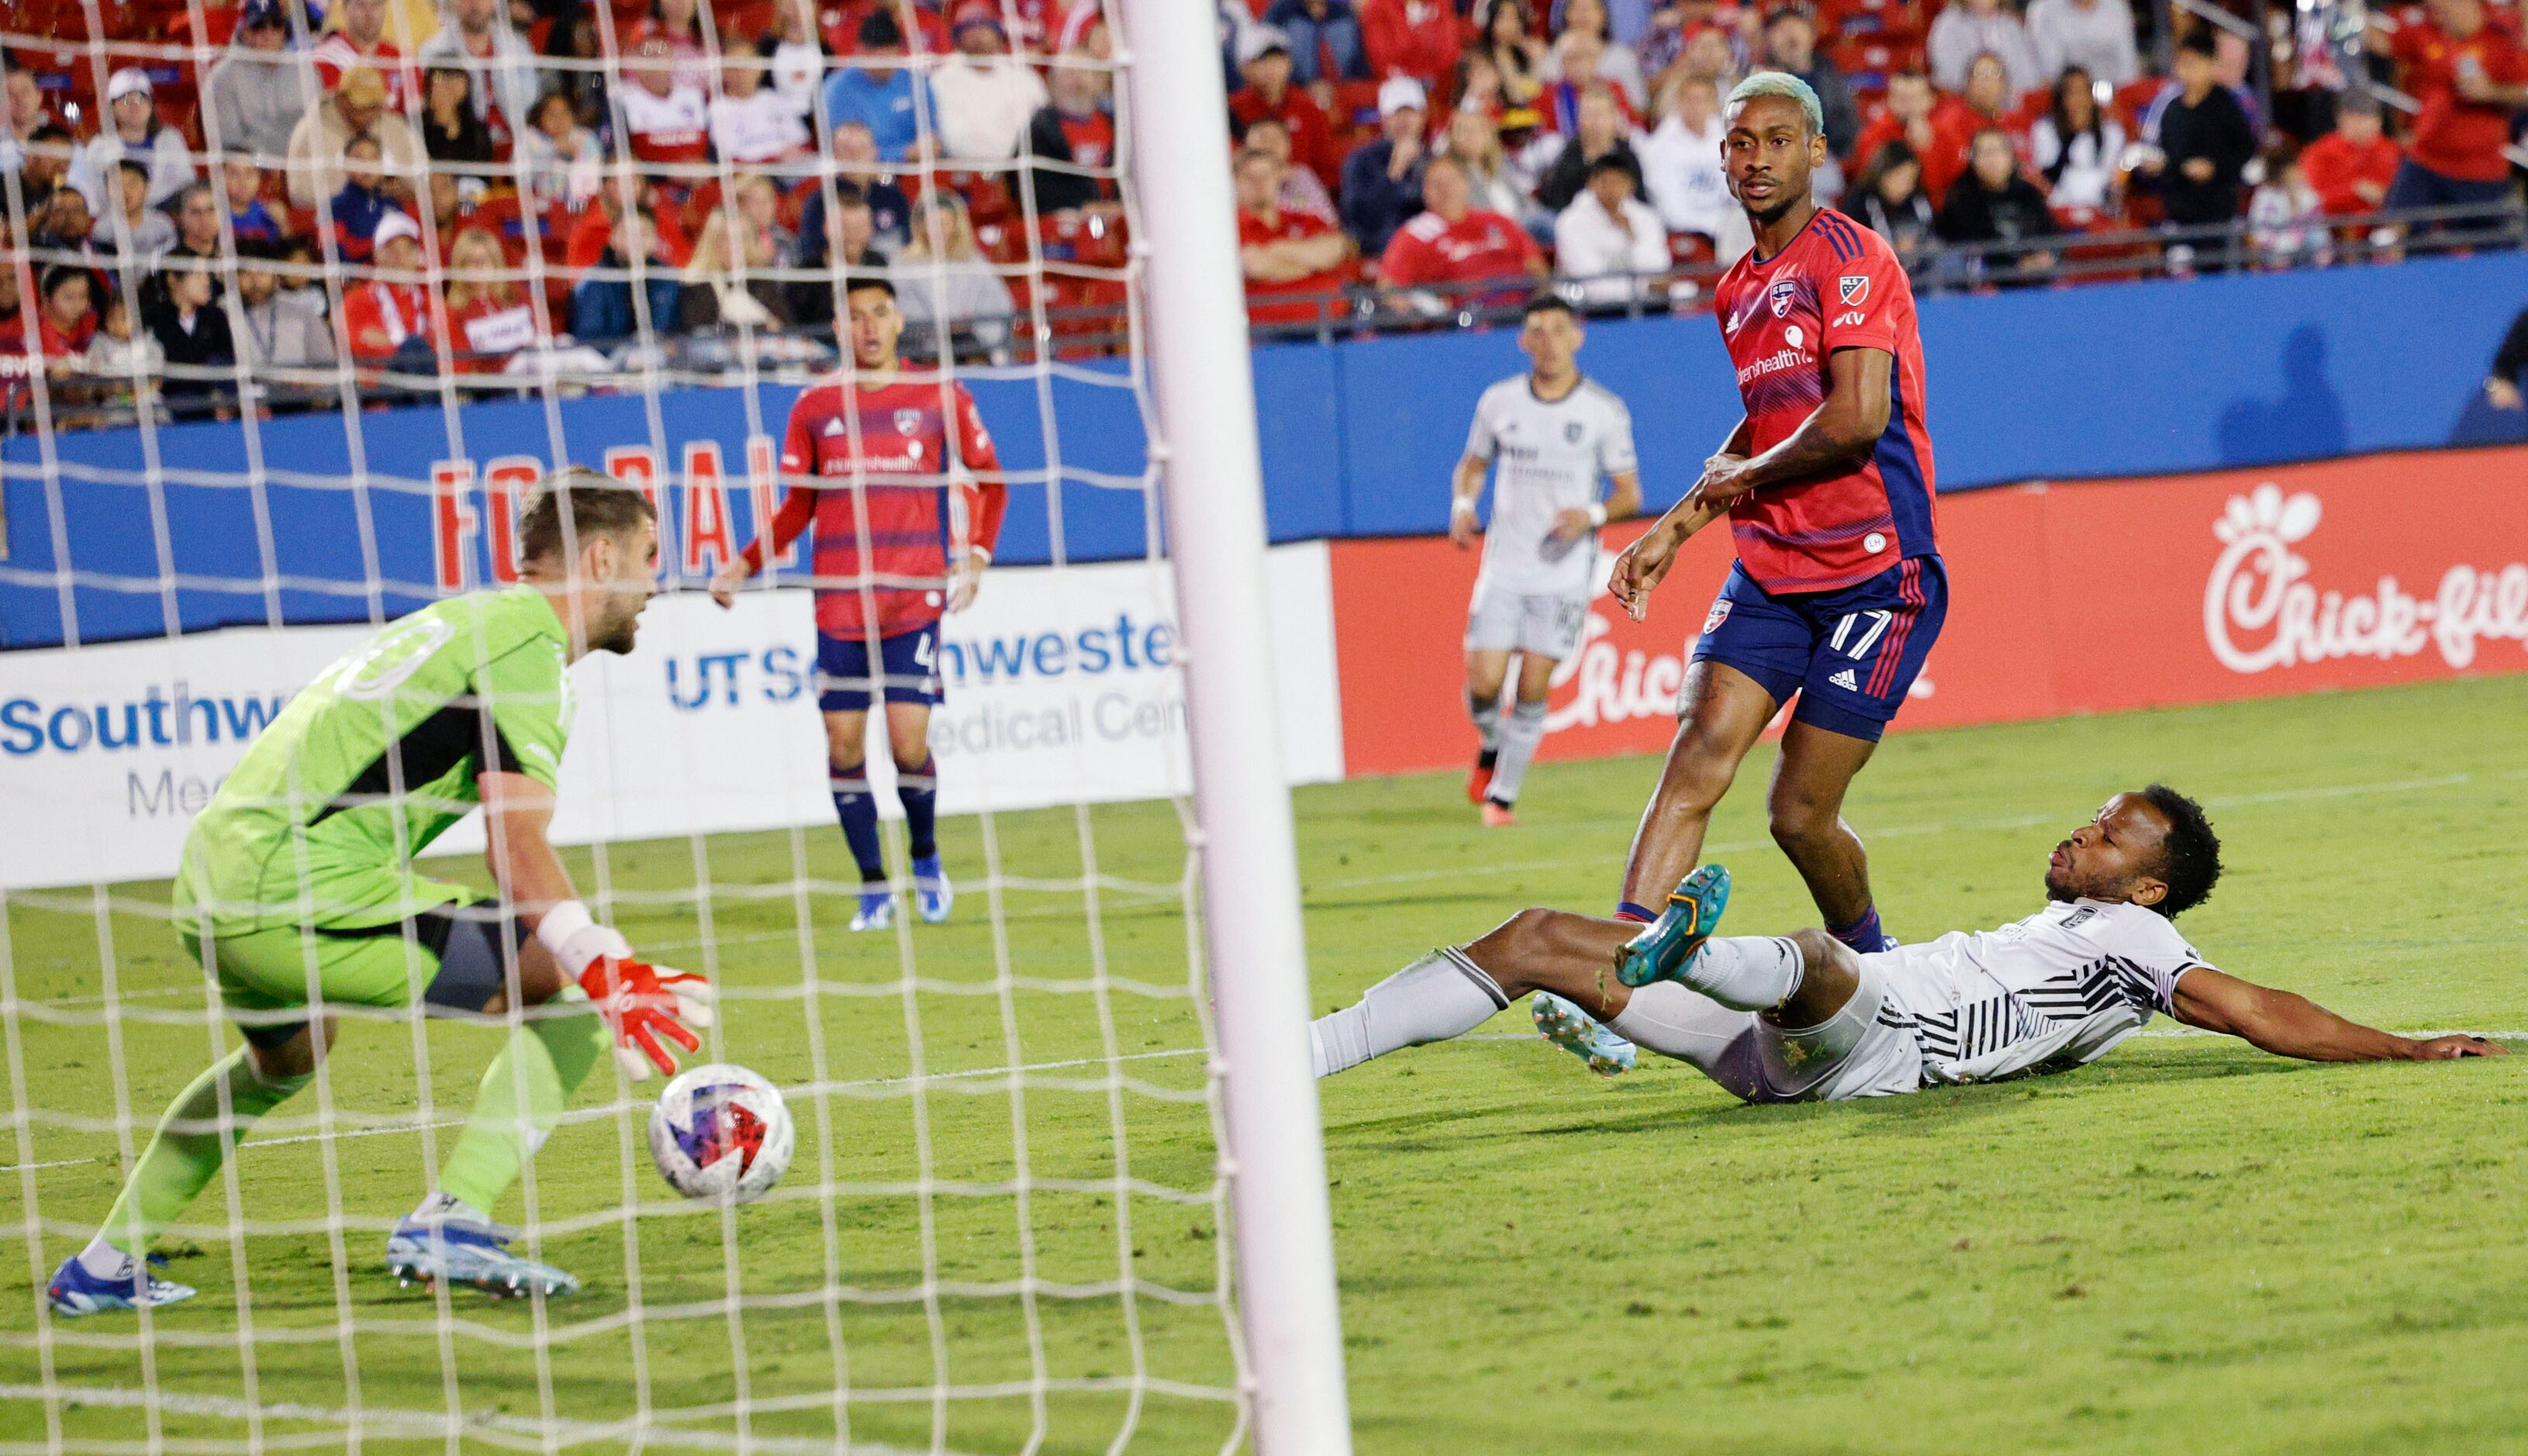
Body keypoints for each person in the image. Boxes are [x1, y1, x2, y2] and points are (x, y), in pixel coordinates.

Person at [43, 474, 714, 1316]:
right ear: (602, 555)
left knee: (285, 1057)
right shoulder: (525, 650)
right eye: (651, 558)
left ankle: (102, 1266)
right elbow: (515, 845)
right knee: (571, 984)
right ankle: (451, 1217)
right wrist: (598, 962)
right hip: (294, 887)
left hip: (214, 883)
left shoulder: (459, 620)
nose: (655, 583)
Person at [1305, 788, 2507, 1099]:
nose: (2078, 835)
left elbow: (2257, 1010)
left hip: (1883, 1040)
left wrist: (2401, 1048)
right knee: (1528, 936)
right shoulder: (2077, 931)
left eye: (2106, 836)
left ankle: (1688, 954)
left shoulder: (2137, 939)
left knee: (1823, 958)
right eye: (2089, 818)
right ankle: (1299, 1054)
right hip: (1776, 1057)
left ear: (2149, 884)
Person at [1601, 72, 1941, 996]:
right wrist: (1674, 530)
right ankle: (1612, 987)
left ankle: (1877, 968)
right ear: (1720, 157)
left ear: (1815, 152)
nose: (1755, 159)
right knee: (1695, 752)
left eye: (1777, 140)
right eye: (1739, 143)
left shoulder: (1854, 259)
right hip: (1770, 568)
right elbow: (1762, 421)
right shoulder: (1735, 291)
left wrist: (1741, 481)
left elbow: (1854, 418)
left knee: (1796, 814)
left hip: (1878, 572)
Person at [710, 274, 1008, 932]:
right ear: (839, 329)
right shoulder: (816, 406)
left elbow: (992, 481)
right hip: (840, 607)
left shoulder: (939, 394)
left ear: (900, 322)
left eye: (880, 313)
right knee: (844, 747)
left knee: (908, 745)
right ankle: (874, 885)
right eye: (855, 317)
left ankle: (925, 860)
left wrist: (978, 556)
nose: (869, 326)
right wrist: (743, 563)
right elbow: (798, 508)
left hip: (912, 599)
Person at [1450, 294, 1643, 824]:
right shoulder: (1500, 402)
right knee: (1485, 685)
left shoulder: (1602, 410)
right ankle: (1492, 744)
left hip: (1562, 573)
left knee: (1533, 684)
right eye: (1538, 330)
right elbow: (1472, 464)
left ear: (1577, 336)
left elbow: (1629, 493)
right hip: (1505, 566)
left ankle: (1502, 799)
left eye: (1559, 330)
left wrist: (1592, 514)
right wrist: (1464, 505)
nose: (1549, 341)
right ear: (1524, 341)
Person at [2371, 0, 2528, 215]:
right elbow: (2384, 43)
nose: (2437, 15)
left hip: (2479, 168)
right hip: (2426, 157)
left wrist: (2491, 92)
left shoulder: (2501, 37)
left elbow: (2525, 91)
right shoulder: (2428, 30)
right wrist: (2351, 18)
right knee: (2395, 229)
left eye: (2443, 10)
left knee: (2486, 243)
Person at [1379, 152, 1548, 305]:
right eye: (1436, 184)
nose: (1446, 189)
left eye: (1451, 181)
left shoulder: (1498, 221)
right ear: (1425, 191)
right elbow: (1388, 288)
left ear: (1465, 184)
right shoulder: (1415, 235)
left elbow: (1535, 266)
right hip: (1461, 325)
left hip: (1519, 312)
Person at [2136, 31, 2257, 230]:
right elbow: (2167, 157)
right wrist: (2159, 168)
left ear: (2211, 65)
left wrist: (2214, 168)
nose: (2186, 71)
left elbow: (2244, 150)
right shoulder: (2171, 110)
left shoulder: (2226, 106)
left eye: (2193, 64)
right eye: (2183, 64)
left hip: (2219, 212)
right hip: (2179, 212)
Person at [1237, 143, 1356, 325]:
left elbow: (1335, 249)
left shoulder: (1303, 218)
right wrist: (1310, 266)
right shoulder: (1230, 228)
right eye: (1250, 177)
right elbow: (1255, 265)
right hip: (1264, 333)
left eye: (1265, 176)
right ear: (1236, 181)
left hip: (1332, 323)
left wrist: (1276, 250)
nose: (1259, 183)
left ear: (1279, 177)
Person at [891, 191, 1016, 357]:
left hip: (969, 343)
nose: (938, 230)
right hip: (920, 346)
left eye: (944, 223)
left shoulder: (974, 261)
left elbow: (1002, 305)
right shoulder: (903, 262)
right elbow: (894, 307)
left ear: (956, 225)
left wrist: (970, 326)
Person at [286, 66, 427, 209]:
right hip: (333, 220)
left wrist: (400, 187)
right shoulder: (311, 130)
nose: (370, 113)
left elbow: (422, 176)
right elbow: (299, 194)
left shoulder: (395, 127)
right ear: (342, 98)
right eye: (363, 106)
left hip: (388, 215)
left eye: (375, 105)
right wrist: (356, 191)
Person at [205, 0, 320, 164]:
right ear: (244, 30)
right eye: (259, 26)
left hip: (303, 167)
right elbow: (228, 143)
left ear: (284, 30)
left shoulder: (307, 72)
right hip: (249, 173)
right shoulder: (222, 78)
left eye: (276, 25)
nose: (268, 34)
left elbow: (318, 130)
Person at [929, 5, 1051, 160]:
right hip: (958, 169)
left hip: (1017, 169)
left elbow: (1046, 126)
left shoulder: (1025, 77)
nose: (978, 34)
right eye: (970, 28)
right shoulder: (940, 78)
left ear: (998, 35)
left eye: (985, 27)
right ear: (957, 38)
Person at [1231, 26, 1345, 188]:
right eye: (1261, 61)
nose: (1272, 68)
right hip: (1251, 194)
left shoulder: (1308, 107)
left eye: (1278, 59)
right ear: (1244, 68)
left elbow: (1328, 167)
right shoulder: (1232, 110)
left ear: (1289, 63)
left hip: (1303, 195)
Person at [416, 0, 544, 144]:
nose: (474, 4)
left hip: (516, 143)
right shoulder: (433, 51)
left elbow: (530, 100)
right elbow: (431, 105)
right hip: (460, 142)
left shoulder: (517, 47)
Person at [1939, 127, 2060, 280]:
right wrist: (2016, 265)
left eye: (1998, 151)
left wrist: (2046, 256)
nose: (1992, 160)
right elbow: (1973, 245)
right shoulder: (1960, 197)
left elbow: (2050, 231)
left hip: (2037, 276)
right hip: (1987, 283)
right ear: (1972, 160)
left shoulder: (2028, 192)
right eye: (1984, 153)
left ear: (2011, 157)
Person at [70, 69, 194, 217]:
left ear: (151, 105)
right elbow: (94, 198)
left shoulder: (171, 140)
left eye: (141, 98)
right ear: (113, 107)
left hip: (164, 217)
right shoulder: (99, 147)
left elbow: (185, 184)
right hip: (114, 220)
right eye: (126, 99)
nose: (134, 105)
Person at [820, 10, 936, 163]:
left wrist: (927, 146)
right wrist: (903, 153)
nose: (882, 63)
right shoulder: (838, 88)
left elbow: (932, 136)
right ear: (859, 51)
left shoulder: (917, 82)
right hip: (863, 171)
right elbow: (846, 151)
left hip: (915, 168)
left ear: (899, 51)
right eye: (875, 55)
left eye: (889, 55)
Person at [1556, 153, 1670, 302]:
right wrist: (1644, 288)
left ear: (1631, 185)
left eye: (1618, 182)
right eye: (1605, 182)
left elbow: (1658, 270)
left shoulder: (1646, 218)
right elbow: (1590, 281)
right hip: (1592, 308)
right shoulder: (1571, 222)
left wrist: (1631, 234)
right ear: (1591, 183)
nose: (1611, 189)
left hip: (1648, 304)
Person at [1341, 76, 1431, 256]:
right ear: (1383, 118)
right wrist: (1395, 170)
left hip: (1430, 249)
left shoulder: (1433, 159)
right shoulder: (1361, 160)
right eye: (1396, 113)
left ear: (1422, 117)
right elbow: (1359, 217)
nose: (1404, 120)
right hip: (1382, 250)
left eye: (1410, 112)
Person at [1756, 6, 1858, 163]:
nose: (1790, 35)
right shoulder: (1760, 79)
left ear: (1812, 35)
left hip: (1828, 158)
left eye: (1796, 27)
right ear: (1769, 41)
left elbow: (1847, 126)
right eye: (1781, 30)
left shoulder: (1831, 74)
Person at [340, 210, 443, 365]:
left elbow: (450, 348)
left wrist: (389, 341)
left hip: (430, 384)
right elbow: (366, 351)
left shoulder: (432, 302)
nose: (400, 257)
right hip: (384, 387)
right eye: (391, 249)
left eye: (409, 249)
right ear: (376, 253)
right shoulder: (356, 302)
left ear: (418, 255)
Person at [1640, 72, 1732, 246]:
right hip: (1687, 233)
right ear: (1678, 103)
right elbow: (1669, 208)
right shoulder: (1660, 147)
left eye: (1703, 100)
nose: (1696, 106)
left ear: (1714, 104)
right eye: (1690, 100)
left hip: (1727, 230)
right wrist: (1709, 227)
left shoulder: (1729, 139)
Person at [569, 205, 682, 342]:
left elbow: (677, 330)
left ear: (655, 239)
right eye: (628, 234)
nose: (636, 241)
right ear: (612, 238)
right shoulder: (593, 281)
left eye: (644, 234)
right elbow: (588, 335)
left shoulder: (667, 278)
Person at [1024, 52, 1117, 214]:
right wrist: (1078, 207)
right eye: (1068, 74)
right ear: (1051, 84)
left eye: (1083, 72)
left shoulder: (1114, 126)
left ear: (1099, 82)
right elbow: (1036, 188)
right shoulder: (1039, 133)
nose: (1077, 80)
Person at [679, 205, 794, 332]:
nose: (735, 246)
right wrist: (762, 327)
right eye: (727, 238)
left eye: (743, 237)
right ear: (712, 241)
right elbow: (697, 330)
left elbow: (785, 325)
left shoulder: (760, 280)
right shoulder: (698, 283)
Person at [229, 238, 337, 373]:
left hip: (297, 392)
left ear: (275, 275)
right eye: (245, 274)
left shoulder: (301, 312)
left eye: (261, 273)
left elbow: (327, 365)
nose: (254, 281)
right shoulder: (222, 314)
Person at [1535, 81, 1645, 214]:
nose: (1594, 122)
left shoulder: (1627, 156)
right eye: (1588, 115)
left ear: (1614, 118)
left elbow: (1641, 203)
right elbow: (1556, 204)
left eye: (1599, 115)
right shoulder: (1567, 157)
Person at [143, 258, 238, 412]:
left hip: (217, 404)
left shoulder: (216, 316)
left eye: (208, 276)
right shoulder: (153, 319)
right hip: (170, 406)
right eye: (198, 275)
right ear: (173, 278)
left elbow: (227, 360)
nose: (207, 283)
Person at [2029, 64, 2124, 210]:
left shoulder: (2112, 132)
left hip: (2102, 210)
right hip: (2061, 210)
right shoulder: (2045, 130)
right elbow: (2047, 178)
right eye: (2071, 93)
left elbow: (2112, 178)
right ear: (2061, 99)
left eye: (2083, 92)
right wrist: (2071, 136)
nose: (2079, 100)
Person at [443, 224, 536, 371]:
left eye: (485, 260)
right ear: (460, 266)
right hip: (495, 383)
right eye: (472, 262)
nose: (480, 267)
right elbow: (463, 366)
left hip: (535, 367)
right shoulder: (454, 313)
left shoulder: (517, 295)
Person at [618, 36, 712, 170]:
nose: (656, 58)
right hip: (654, 184)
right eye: (647, 53)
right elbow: (624, 154)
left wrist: (706, 168)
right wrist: (667, 173)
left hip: (700, 179)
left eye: (661, 51)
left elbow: (712, 148)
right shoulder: (624, 98)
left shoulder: (693, 95)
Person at [710, 52, 812, 167]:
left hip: (793, 166)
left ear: (759, 69)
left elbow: (802, 140)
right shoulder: (718, 109)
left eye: (746, 66)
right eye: (733, 69)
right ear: (724, 73)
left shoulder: (776, 99)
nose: (741, 73)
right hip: (753, 175)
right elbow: (731, 158)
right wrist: (774, 159)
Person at [2298, 101, 2400, 216]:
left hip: (2385, 223)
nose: (2364, 126)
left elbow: (2405, 195)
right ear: (2342, 120)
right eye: (2357, 120)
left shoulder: (2393, 151)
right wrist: (2354, 190)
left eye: (2369, 119)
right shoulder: (2319, 154)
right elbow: (2312, 200)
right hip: (2334, 225)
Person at [1843, 140, 1937, 264]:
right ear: (1883, 173)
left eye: (1912, 179)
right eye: (1901, 177)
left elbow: (1932, 231)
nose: (1907, 186)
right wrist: (1895, 250)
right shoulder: (1861, 202)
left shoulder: (1916, 198)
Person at [314, 0, 419, 109]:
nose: (369, 14)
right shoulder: (326, 60)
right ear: (345, 10)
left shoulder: (400, 58)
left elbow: (416, 111)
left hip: (394, 124)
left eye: (376, 5)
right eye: (361, 5)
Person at [1927, 0, 2043, 96]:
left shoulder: (2010, 24)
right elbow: (1947, 79)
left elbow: (2028, 76)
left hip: (2010, 105)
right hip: (1966, 105)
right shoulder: (1948, 25)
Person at [516, 90, 604, 214]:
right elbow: (523, 176)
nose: (559, 120)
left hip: (582, 207)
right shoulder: (531, 138)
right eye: (552, 114)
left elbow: (593, 177)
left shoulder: (586, 138)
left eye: (565, 113)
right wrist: (553, 147)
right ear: (540, 117)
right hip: (543, 209)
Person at [1243, 112, 1341, 222]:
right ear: (1246, 145)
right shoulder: (1237, 180)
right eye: (1262, 137)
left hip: (1305, 237)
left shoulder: (1302, 175)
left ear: (1288, 146)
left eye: (1276, 138)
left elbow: (1329, 220)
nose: (1270, 144)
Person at [326, 135, 402, 264]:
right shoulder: (335, 207)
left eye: (374, 157)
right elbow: (338, 251)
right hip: (355, 279)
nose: (368, 165)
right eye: (359, 158)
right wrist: (381, 243)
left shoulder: (393, 203)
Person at [1361, 0, 1459, 101]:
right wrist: (1417, 28)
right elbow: (1382, 56)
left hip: (1436, 79)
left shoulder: (1440, 3)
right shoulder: (1378, 6)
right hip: (1397, 81)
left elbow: (1449, 51)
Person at [2025, 0, 2138, 86]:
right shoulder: (2044, 11)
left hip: (2115, 97)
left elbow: (2127, 65)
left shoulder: (2117, 7)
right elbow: (2050, 73)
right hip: (2067, 101)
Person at [2248, 146, 2327, 265]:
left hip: (2303, 241)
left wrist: (2295, 202)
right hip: (2273, 244)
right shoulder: (2266, 195)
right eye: (2293, 172)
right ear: (2282, 174)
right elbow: (2259, 230)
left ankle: (2320, 275)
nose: (2299, 174)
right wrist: (2274, 242)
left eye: (2298, 170)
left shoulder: (2306, 193)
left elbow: (2315, 222)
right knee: (2283, 248)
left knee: (2319, 240)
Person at [1265, 0, 1371, 85]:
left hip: (1343, 92)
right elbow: (1266, 61)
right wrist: (1306, 86)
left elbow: (1361, 65)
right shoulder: (1281, 13)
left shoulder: (1344, 14)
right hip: (1296, 93)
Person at [94, 159, 177, 258]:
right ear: (107, 190)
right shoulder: (102, 229)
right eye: (117, 185)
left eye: (132, 184)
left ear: (147, 188)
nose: (125, 191)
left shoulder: (163, 226)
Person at [421, 63, 497, 167]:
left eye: (456, 76)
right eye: (439, 77)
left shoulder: (479, 130)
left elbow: (481, 177)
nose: (448, 84)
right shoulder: (416, 126)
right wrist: (441, 117)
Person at [216, 154, 283, 246]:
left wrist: (283, 225)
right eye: (234, 174)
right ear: (220, 178)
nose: (243, 182)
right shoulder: (213, 215)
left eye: (249, 173)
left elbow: (285, 252)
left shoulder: (268, 214)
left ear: (259, 177)